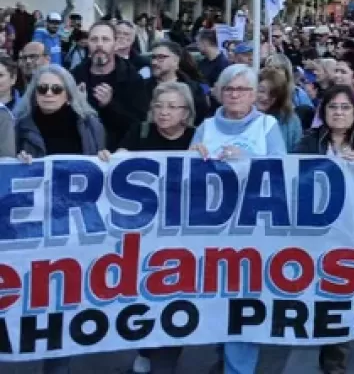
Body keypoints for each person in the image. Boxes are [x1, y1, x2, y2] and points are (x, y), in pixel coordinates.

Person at [191, 64, 286, 374]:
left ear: (253, 95)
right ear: (219, 93)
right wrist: (193, 158)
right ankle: (224, 356)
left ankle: (239, 369)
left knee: (244, 302)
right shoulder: (205, 127)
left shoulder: (267, 125)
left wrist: (249, 161)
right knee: (218, 299)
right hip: (212, 230)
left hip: (252, 230)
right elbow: (184, 177)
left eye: (242, 89)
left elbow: (282, 172)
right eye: (229, 89)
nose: (234, 95)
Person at [14, 65, 106, 374]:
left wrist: (107, 160)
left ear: (68, 93)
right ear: (34, 93)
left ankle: (57, 367)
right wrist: (16, 163)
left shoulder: (89, 124)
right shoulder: (18, 125)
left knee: (64, 300)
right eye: (42, 89)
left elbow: (102, 163)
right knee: (32, 296)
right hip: (32, 226)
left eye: (56, 89)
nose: (49, 94)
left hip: (74, 226)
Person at [99, 80, 196, 374]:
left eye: (172, 107)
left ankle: (168, 353)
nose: (164, 112)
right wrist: (108, 160)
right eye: (159, 106)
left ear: (186, 112)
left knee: (177, 292)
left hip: (182, 232)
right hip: (142, 231)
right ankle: (144, 349)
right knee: (143, 291)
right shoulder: (140, 132)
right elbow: (117, 164)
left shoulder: (196, 138)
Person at [295, 84, 354, 374]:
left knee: (342, 294)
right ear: (323, 112)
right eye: (333, 107)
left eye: (346, 107)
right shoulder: (309, 143)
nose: (339, 112)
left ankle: (335, 359)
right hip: (318, 233)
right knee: (320, 295)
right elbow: (289, 173)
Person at [71, 21, 148, 151]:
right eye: (94, 39)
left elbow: (138, 124)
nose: (99, 44)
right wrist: (78, 105)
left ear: (115, 44)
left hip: (117, 153)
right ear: (87, 43)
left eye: (105, 39)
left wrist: (109, 105)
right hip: (82, 152)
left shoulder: (132, 77)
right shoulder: (75, 76)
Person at [145, 41, 209, 125]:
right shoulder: (141, 87)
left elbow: (201, 118)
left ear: (176, 60)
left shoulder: (194, 89)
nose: (154, 62)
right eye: (153, 57)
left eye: (161, 57)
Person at [256, 66, 303, 151]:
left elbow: (296, 153)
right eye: (261, 91)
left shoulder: (290, 120)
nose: (266, 97)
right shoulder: (239, 116)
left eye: (272, 94)